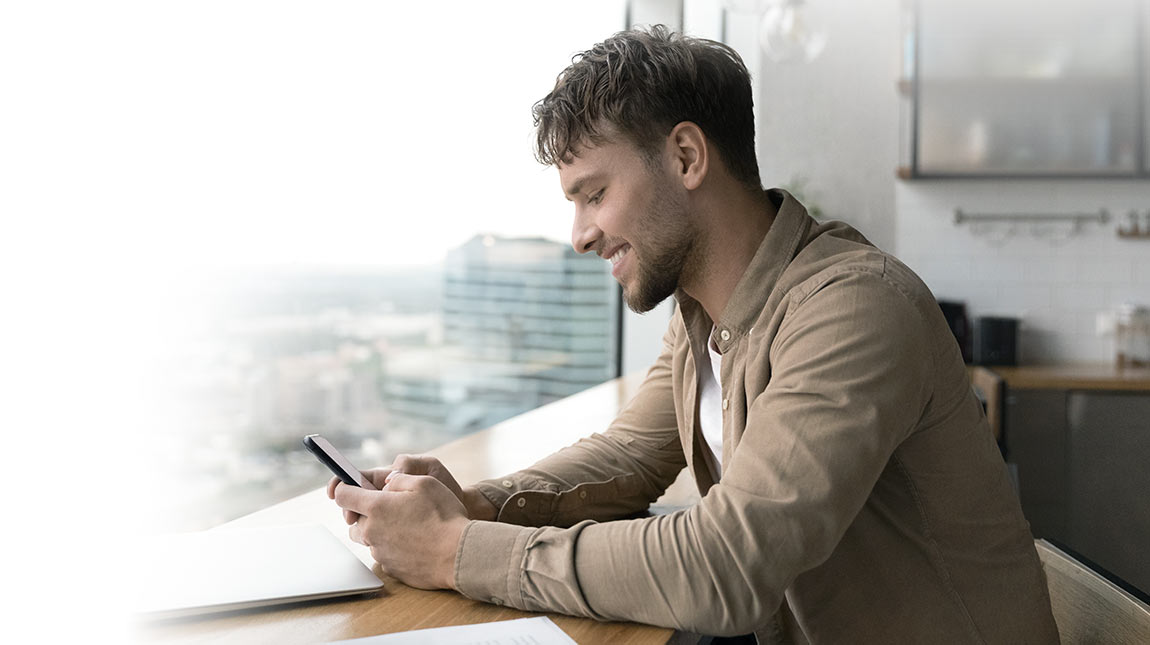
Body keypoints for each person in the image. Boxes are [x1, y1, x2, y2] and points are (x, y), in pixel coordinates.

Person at [328, 26, 1059, 643]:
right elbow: (631, 455)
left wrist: (454, 549)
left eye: (594, 193)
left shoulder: (855, 308)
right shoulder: (706, 310)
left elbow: (727, 566)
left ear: (686, 157)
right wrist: (473, 504)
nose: (579, 235)